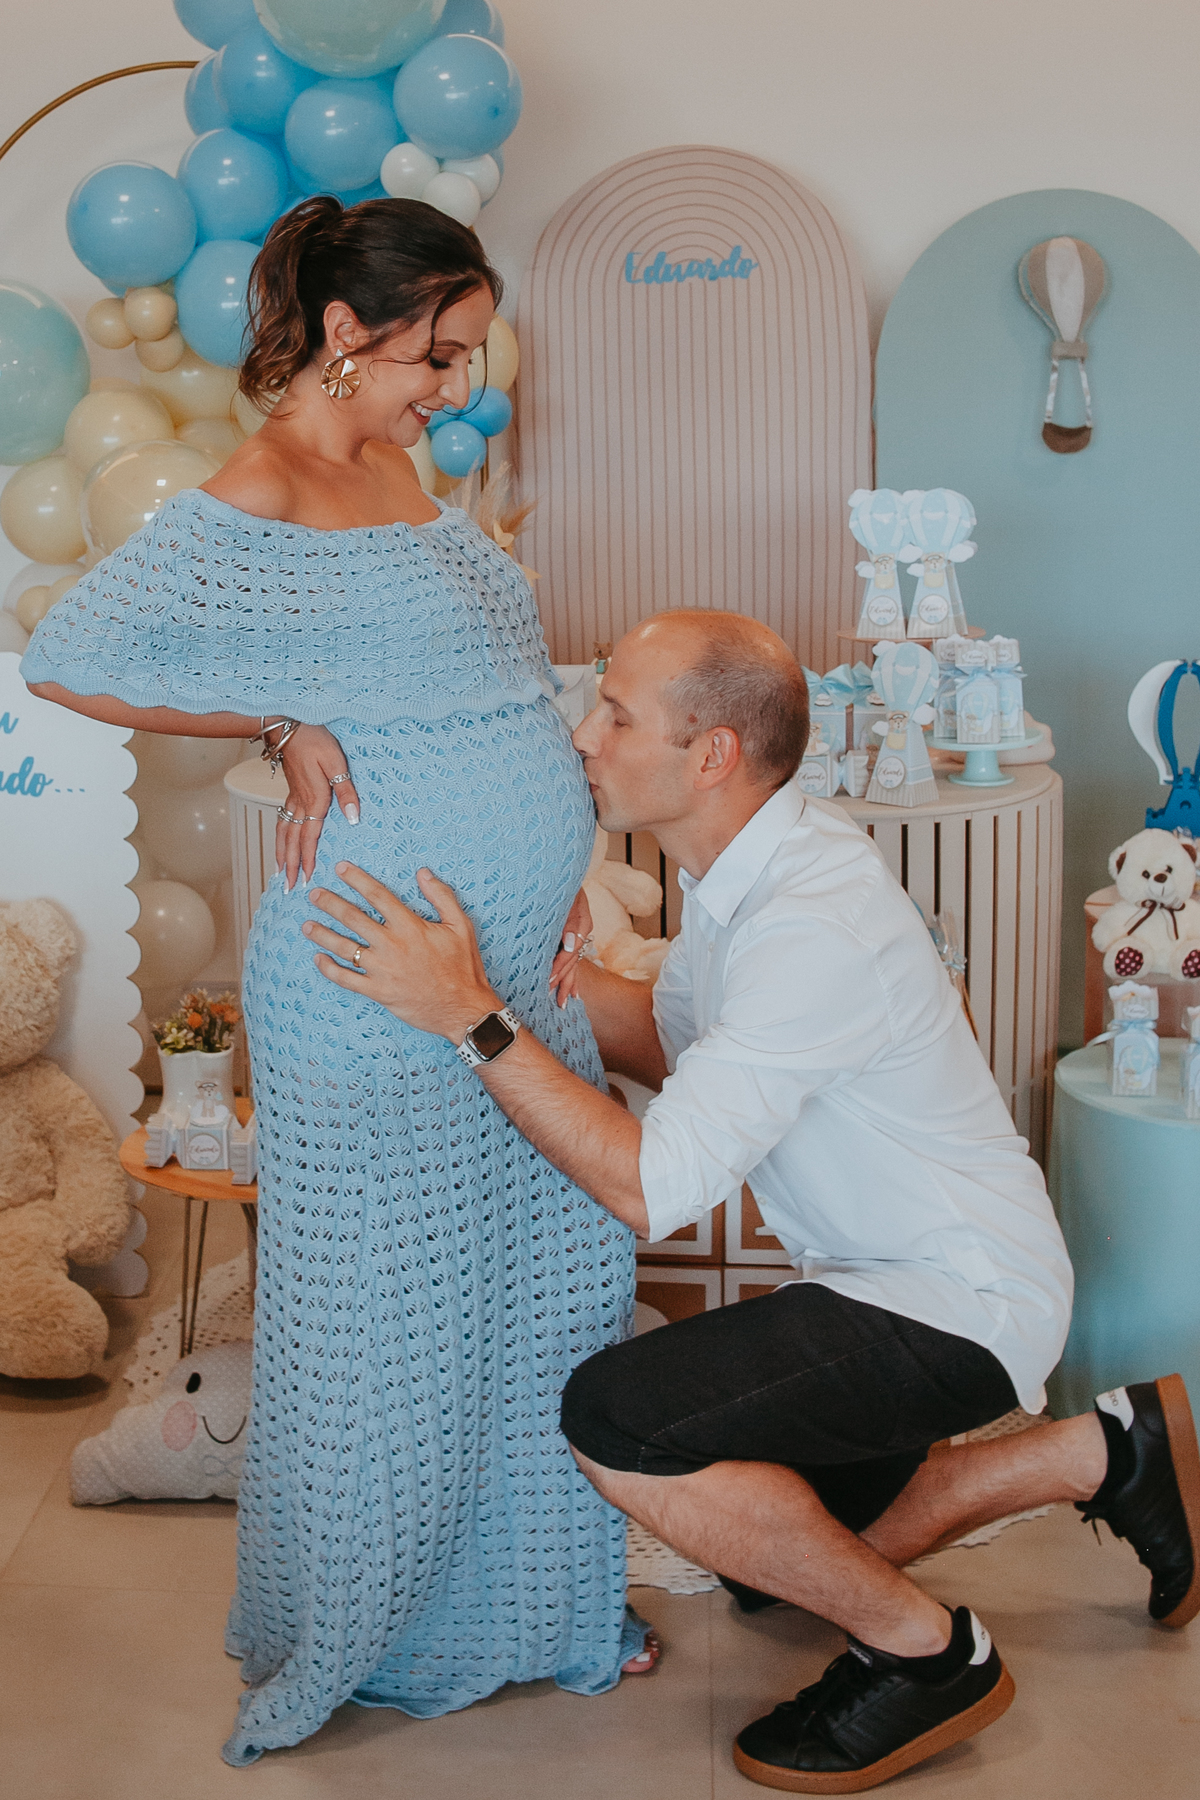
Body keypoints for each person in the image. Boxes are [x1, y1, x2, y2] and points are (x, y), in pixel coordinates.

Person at [303, 608, 1200, 1794]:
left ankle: (930, 1655)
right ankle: (1109, 1448)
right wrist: (514, 974)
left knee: (619, 1420)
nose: (585, 736)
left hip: (953, 1298)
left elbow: (649, 1187)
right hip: (896, 1279)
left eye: (617, 715)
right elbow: (671, 1041)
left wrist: (470, 1015)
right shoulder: (747, 876)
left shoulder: (807, 922)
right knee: (766, 1560)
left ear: (712, 754)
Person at [20, 196, 653, 1767]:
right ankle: (375, 1624)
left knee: (541, 1290)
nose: (458, 384)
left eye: (470, 353)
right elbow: (66, 654)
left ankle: (528, 1606)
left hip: (507, 975)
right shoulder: (264, 484)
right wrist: (274, 716)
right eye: (439, 354)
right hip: (375, 977)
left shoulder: (402, 466)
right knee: (389, 1319)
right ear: (349, 334)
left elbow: (454, 679)